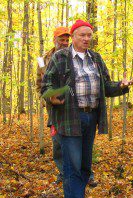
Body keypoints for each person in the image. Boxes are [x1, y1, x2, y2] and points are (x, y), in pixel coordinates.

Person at [41, 20, 133, 198]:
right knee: (72, 164)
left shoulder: (96, 58)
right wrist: (54, 96)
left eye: (89, 35)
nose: (86, 39)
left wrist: (121, 85)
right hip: (68, 117)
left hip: (91, 117)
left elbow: (107, 87)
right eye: (82, 35)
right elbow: (45, 87)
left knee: (84, 165)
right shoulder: (60, 57)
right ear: (73, 36)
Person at [36, 27, 98, 187]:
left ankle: (87, 175)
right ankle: (64, 173)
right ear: (54, 40)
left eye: (66, 40)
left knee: (80, 143)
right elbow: (40, 84)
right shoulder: (43, 60)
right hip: (55, 109)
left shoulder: (73, 56)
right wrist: (48, 100)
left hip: (73, 109)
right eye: (61, 40)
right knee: (58, 143)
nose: (64, 43)